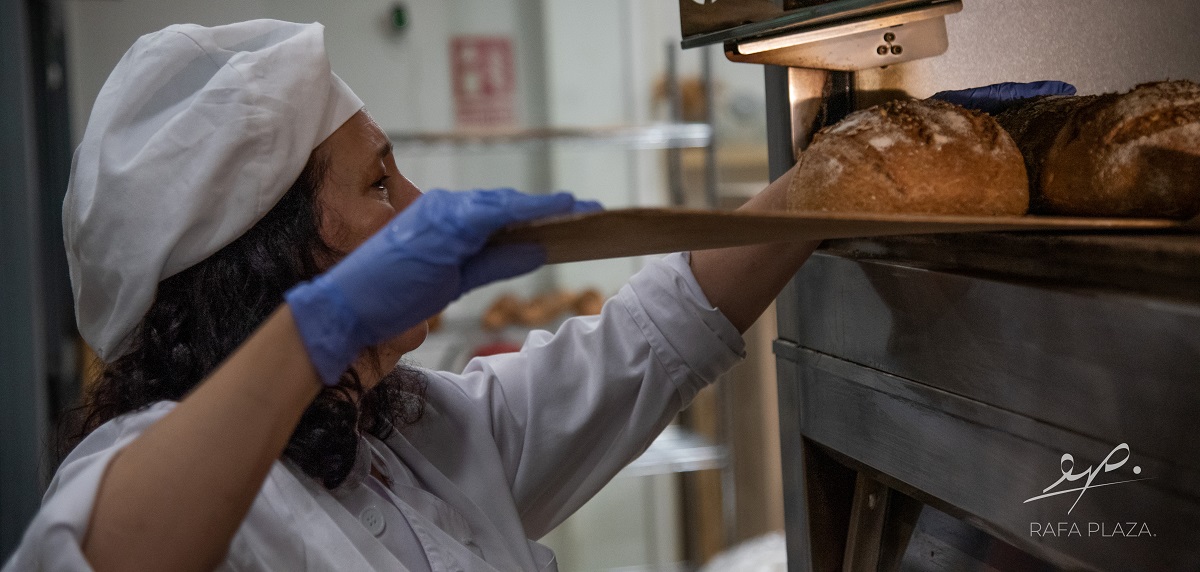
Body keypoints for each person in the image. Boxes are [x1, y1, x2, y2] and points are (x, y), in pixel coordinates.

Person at [3, 19, 1072, 572]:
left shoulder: (400, 435)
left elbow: (643, 343)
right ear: (269, 261)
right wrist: (318, 329)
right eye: (380, 182)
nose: (419, 207)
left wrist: (826, 173)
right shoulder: (150, 463)